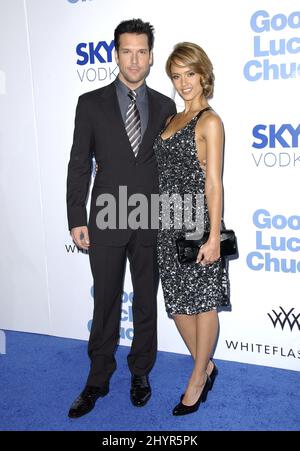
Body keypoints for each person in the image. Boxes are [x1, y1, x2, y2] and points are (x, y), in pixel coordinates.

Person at [66, 19, 176, 418]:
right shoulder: (90, 103)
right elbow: (79, 164)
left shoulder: (166, 106)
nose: (134, 60)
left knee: (146, 300)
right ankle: (98, 376)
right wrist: (76, 216)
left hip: (150, 218)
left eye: (141, 52)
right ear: (116, 54)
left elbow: (172, 168)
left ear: (150, 56)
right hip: (106, 218)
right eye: (126, 51)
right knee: (107, 300)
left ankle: (141, 371)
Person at [153, 42, 230, 416]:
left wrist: (214, 235)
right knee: (178, 305)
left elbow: (213, 182)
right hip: (166, 221)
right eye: (176, 76)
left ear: (203, 75)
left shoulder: (209, 121)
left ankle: (198, 377)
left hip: (197, 221)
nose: (183, 83)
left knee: (202, 303)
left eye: (189, 74)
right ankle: (207, 365)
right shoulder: (171, 119)